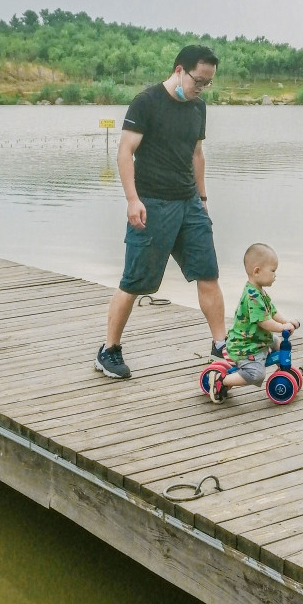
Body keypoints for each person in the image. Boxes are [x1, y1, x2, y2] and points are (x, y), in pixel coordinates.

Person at [95, 45, 227, 379]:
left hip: (189, 203)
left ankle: (220, 346)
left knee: (207, 272)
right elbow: (125, 152)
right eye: (198, 80)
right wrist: (132, 199)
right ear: (179, 70)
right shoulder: (147, 102)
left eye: (207, 83)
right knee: (135, 280)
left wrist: (203, 198)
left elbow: (198, 154)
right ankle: (108, 350)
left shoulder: (198, 107)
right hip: (152, 204)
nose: (201, 88)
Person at [208, 242, 299, 403]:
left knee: (277, 343)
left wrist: (286, 321)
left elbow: (272, 311)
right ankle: (221, 381)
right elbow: (264, 322)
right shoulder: (252, 296)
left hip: (257, 340)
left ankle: (285, 372)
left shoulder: (260, 292)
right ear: (257, 271)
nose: (275, 275)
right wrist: (282, 327)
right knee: (256, 374)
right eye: (273, 271)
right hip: (245, 346)